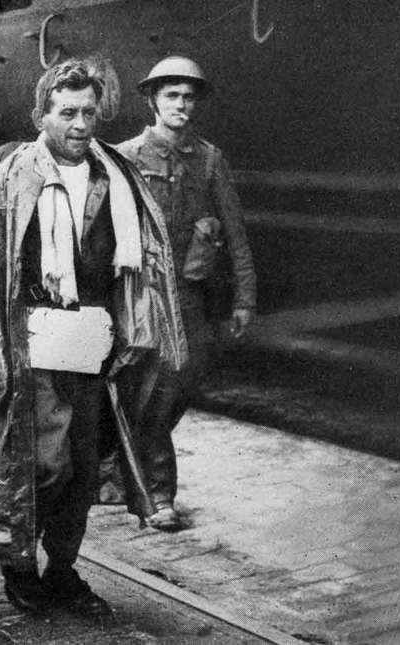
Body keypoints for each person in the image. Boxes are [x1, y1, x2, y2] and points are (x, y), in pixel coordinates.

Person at [0, 57, 187, 616]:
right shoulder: (11, 179)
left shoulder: (116, 176)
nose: (80, 124)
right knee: (45, 463)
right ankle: (19, 566)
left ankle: (61, 571)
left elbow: (139, 267)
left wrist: (134, 332)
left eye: (89, 112)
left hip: (94, 341)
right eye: (66, 113)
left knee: (85, 468)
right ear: (42, 115)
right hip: (31, 342)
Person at [116, 56, 257, 530]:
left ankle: (129, 472)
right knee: (148, 391)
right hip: (141, 296)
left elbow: (235, 234)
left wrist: (244, 300)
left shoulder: (210, 159)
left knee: (180, 387)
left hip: (190, 297)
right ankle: (157, 494)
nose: (181, 104)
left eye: (189, 96)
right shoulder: (126, 156)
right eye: (172, 95)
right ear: (152, 99)